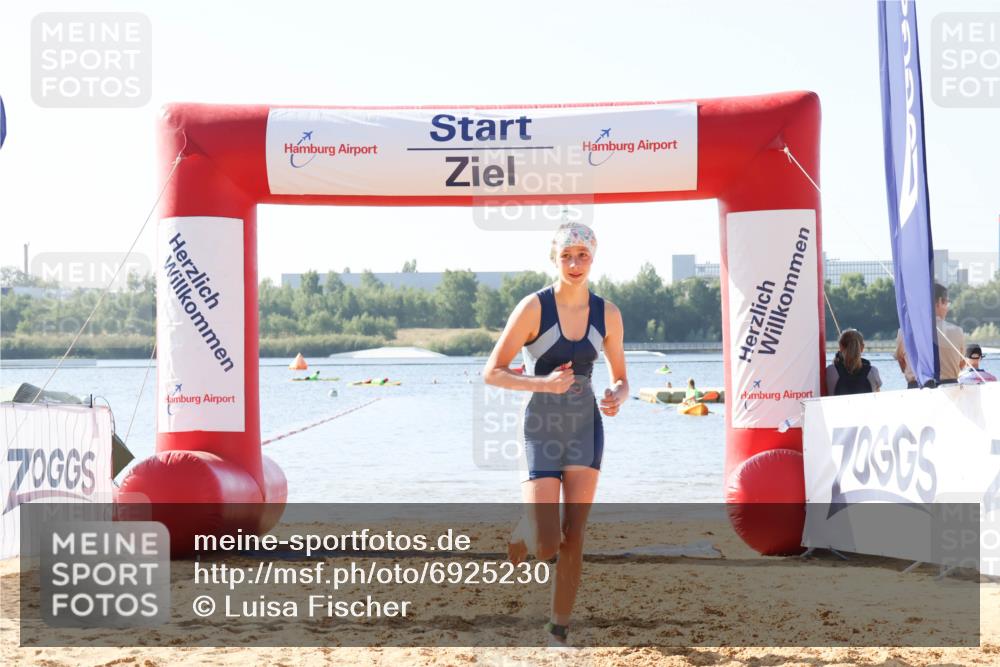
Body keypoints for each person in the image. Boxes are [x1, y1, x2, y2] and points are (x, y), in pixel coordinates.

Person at [481, 221, 628, 648]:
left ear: (593, 258)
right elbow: (492, 372)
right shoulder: (534, 308)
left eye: (582, 255)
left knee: (575, 535)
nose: (575, 263)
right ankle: (528, 525)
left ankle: (558, 628)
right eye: (566, 255)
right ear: (554, 259)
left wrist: (617, 396)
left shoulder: (609, 314)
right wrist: (543, 383)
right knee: (547, 544)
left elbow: (622, 378)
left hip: (586, 429)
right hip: (541, 428)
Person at [895, 283, 966, 386]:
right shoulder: (957, 332)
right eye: (947, 303)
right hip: (950, 391)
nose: (948, 308)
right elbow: (961, 363)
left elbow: (901, 361)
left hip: (916, 390)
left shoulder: (904, 332)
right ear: (940, 302)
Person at [825, 329, 882, 395]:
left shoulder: (830, 371)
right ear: (862, 347)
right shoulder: (873, 372)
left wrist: (835, 363)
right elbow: (877, 396)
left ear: (840, 347)